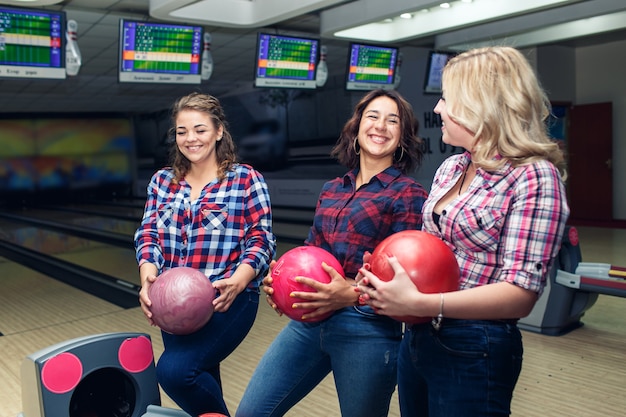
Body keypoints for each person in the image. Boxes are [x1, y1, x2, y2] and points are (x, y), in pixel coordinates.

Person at [357, 46, 571, 417]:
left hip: (476, 346)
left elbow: (520, 294)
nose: (437, 108)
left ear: (480, 104)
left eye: (446, 98)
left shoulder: (534, 176)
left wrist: (423, 304)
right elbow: (431, 258)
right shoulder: (452, 168)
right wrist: (384, 274)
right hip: (421, 338)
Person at [236, 89, 429, 417]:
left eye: (392, 120)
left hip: (366, 328)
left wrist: (352, 293)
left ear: (403, 138)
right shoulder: (332, 189)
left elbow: (405, 280)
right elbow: (312, 252)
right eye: (373, 116)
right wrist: (283, 285)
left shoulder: (408, 194)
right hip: (309, 324)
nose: (380, 126)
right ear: (356, 129)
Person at [134, 92, 275, 416]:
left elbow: (261, 238)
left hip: (227, 299)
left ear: (218, 131)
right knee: (201, 378)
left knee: (175, 372)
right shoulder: (162, 182)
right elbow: (149, 234)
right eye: (182, 131)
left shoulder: (245, 179)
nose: (190, 138)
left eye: (199, 129)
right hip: (175, 305)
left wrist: (239, 281)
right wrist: (147, 278)